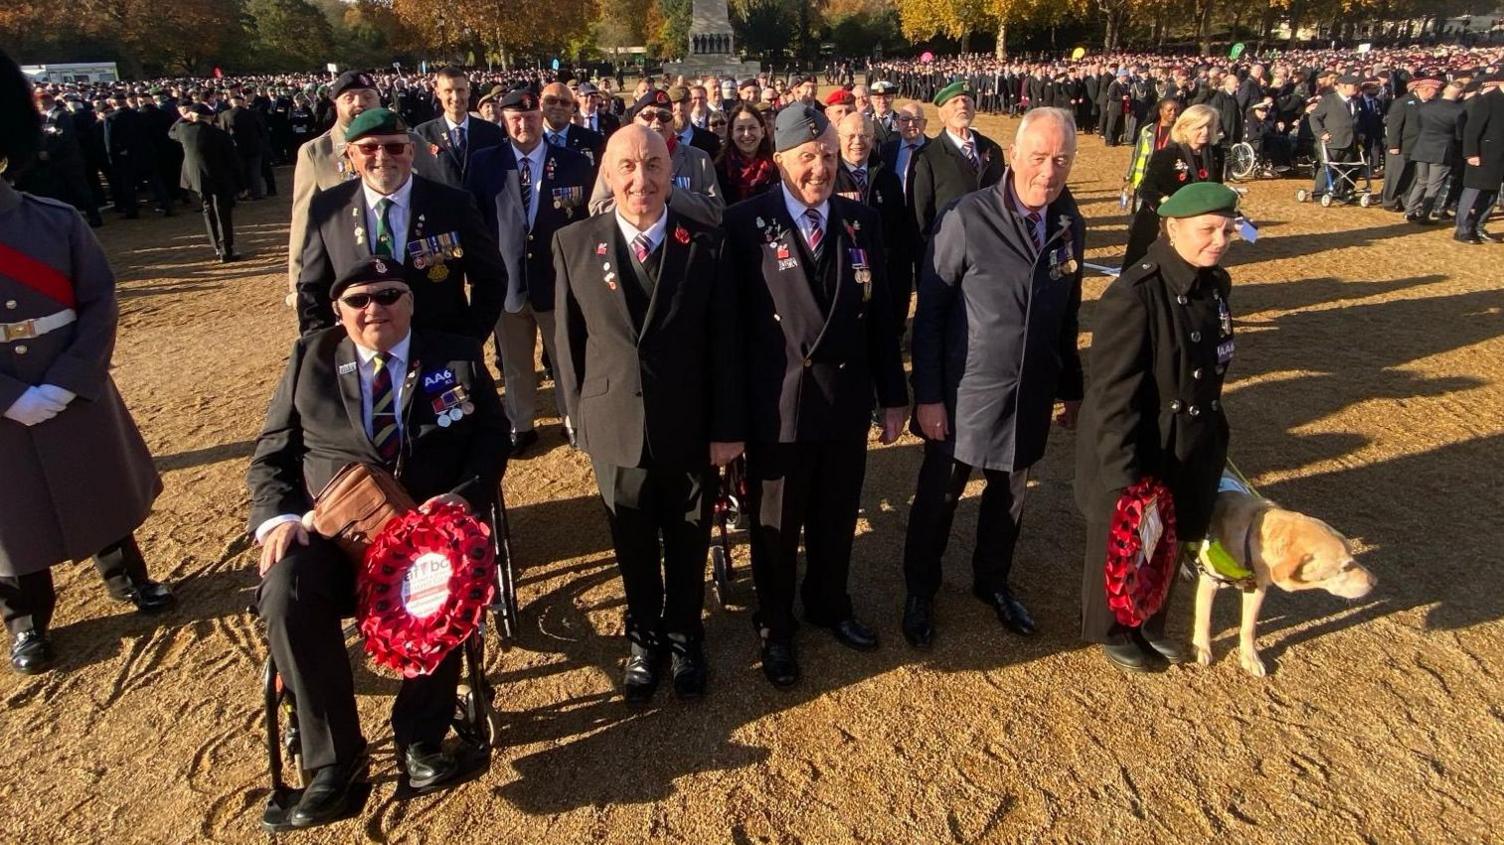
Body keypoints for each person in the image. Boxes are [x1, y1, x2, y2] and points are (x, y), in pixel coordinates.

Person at [248, 258, 509, 828]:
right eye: (359, 300)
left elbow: (492, 436)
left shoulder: (456, 353)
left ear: (410, 302)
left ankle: (421, 737)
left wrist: (465, 497)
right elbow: (272, 457)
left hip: (426, 534)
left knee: (445, 575)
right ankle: (335, 764)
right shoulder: (310, 360)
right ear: (339, 313)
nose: (375, 308)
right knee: (285, 589)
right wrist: (281, 520)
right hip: (334, 539)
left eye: (389, 295)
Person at [552, 126, 743, 703]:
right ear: (607, 174)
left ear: (672, 170)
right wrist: (579, 419)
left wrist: (727, 428)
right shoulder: (574, 243)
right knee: (631, 540)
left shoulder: (706, 243)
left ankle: (686, 635)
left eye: (654, 165)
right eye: (628, 167)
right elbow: (567, 343)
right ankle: (644, 639)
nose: (642, 180)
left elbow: (725, 345)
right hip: (614, 422)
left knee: (687, 537)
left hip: (689, 422)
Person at [0, 51, 175, 675]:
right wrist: (10, 396)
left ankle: (128, 579)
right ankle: (25, 620)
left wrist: (69, 377)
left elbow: (99, 300)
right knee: (11, 518)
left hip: (68, 376)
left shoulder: (55, 222)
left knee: (98, 486)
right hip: (6, 400)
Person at [721, 105, 908, 687]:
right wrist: (729, 419)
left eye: (828, 156)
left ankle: (829, 602)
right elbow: (728, 332)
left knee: (835, 515)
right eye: (808, 158)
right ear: (779, 161)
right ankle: (775, 624)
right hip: (778, 406)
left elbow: (881, 320)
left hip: (846, 398)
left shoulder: (862, 222)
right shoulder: (744, 223)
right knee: (776, 524)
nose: (820, 169)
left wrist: (894, 395)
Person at [902, 108, 1084, 648]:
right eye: (1038, 158)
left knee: (1010, 498)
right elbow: (930, 314)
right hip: (965, 391)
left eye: (1061, 160)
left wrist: (1070, 386)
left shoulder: (1070, 224)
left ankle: (993, 582)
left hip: (1029, 387)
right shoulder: (966, 216)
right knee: (940, 496)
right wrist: (928, 396)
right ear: (1015, 155)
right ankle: (920, 589)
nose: (1048, 172)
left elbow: (1067, 314)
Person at [1074, 182, 1241, 672]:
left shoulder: (1215, 285)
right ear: (1171, 228)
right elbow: (1112, 396)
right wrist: (1123, 473)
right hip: (1142, 442)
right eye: (1207, 229)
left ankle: (1150, 620)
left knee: (1170, 537)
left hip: (1190, 439)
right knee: (1126, 541)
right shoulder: (1134, 295)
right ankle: (1112, 626)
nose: (1219, 239)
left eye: (1227, 230)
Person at [295, 108, 507, 342]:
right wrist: (322, 349)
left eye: (394, 147)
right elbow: (312, 290)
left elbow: (491, 278)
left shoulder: (453, 204)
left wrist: (467, 342)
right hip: (360, 359)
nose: (382, 156)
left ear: (411, 151)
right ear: (351, 155)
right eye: (369, 148)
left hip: (438, 353)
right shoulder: (328, 209)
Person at [464, 87, 593, 456]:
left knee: (566, 357)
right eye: (516, 118)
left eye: (531, 116)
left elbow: (584, 225)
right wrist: (481, 274)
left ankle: (573, 420)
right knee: (516, 363)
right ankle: (520, 424)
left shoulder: (573, 162)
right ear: (503, 120)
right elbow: (474, 222)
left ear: (541, 116)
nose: (525, 123)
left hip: (556, 281)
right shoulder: (484, 163)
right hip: (505, 282)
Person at [287, 72, 444, 298]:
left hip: (414, 268)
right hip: (350, 278)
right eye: (349, 98)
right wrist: (298, 287)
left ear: (379, 99)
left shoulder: (411, 142)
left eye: (367, 96)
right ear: (335, 104)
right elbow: (303, 225)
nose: (359, 103)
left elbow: (440, 199)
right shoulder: (317, 153)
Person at [590, 89, 723, 225]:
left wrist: (672, 194)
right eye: (648, 116)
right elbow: (597, 209)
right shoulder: (614, 156)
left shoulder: (699, 159)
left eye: (664, 116)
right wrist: (636, 197)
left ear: (673, 122)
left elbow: (716, 213)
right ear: (635, 120)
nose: (657, 121)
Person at [833, 113, 911, 332]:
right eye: (851, 136)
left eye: (865, 135)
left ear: (874, 138)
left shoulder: (888, 178)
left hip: (881, 273)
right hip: (843, 279)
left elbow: (899, 238)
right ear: (839, 137)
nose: (858, 142)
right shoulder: (828, 177)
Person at [1121, 104, 1223, 271]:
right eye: (1199, 127)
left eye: (1209, 126)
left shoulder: (1215, 155)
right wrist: (1166, 203)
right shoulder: (1167, 155)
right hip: (1158, 223)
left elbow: (1216, 186)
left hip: (1196, 224)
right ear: (1184, 127)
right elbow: (1147, 189)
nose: (1205, 132)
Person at [911, 81, 1004, 242]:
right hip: (950, 249)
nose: (962, 106)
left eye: (967, 101)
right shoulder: (927, 157)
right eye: (955, 102)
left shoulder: (993, 149)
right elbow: (922, 216)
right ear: (942, 115)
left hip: (990, 247)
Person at [170, 104, 243, 262]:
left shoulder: (184, 131)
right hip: (220, 178)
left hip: (197, 179)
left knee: (207, 211)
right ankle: (226, 250)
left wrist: (184, 117)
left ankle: (217, 247)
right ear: (210, 117)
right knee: (222, 214)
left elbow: (171, 132)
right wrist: (241, 183)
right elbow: (233, 161)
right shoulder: (220, 134)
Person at [415, 67, 506, 187]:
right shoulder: (423, 134)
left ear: (468, 91)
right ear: (438, 93)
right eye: (448, 91)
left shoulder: (491, 132)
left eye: (460, 90)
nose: (456, 97)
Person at [1455, 72, 1504, 245]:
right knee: (1474, 192)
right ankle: (1463, 229)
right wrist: (1471, 153)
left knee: (1491, 194)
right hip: (1483, 155)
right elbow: (1471, 129)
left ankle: (1478, 226)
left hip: (1500, 158)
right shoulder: (1487, 100)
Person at [1406, 80, 1464, 225]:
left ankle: (1410, 211)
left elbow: (1419, 125)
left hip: (1422, 147)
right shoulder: (1458, 111)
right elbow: (1459, 135)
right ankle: (1424, 215)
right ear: (1460, 94)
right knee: (1434, 185)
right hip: (1442, 150)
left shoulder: (1426, 107)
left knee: (1421, 181)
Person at [1307, 73, 1363, 202]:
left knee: (1345, 169)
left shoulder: (1356, 101)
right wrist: (1321, 133)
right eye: (1353, 85)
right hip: (1332, 141)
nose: (1356, 87)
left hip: (1350, 141)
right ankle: (1319, 194)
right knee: (1328, 167)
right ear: (1343, 86)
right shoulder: (1328, 100)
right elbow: (1314, 117)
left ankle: (1338, 193)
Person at [714, 102, 777, 204]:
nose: (747, 134)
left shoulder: (776, 169)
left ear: (762, 132)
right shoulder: (719, 170)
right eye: (740, 129)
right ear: (732, 134)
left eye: (752, 128)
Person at [1124, 98, 1181, 207]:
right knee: (1142, 214)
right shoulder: (1148, 130)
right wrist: (1129, 176)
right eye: (1169, 110)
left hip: (1168, 180)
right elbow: (1137, 155)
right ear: (1161, 111)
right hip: (1145, 178)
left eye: (1176, 110)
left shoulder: (1181, 133)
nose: (1173, 113)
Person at [541, 81, 606, 171]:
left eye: (565, 102)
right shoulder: (528, 141)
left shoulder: (593, 140)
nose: (558, 106)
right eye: (551, 101)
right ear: (541, 104)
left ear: (573, 108)